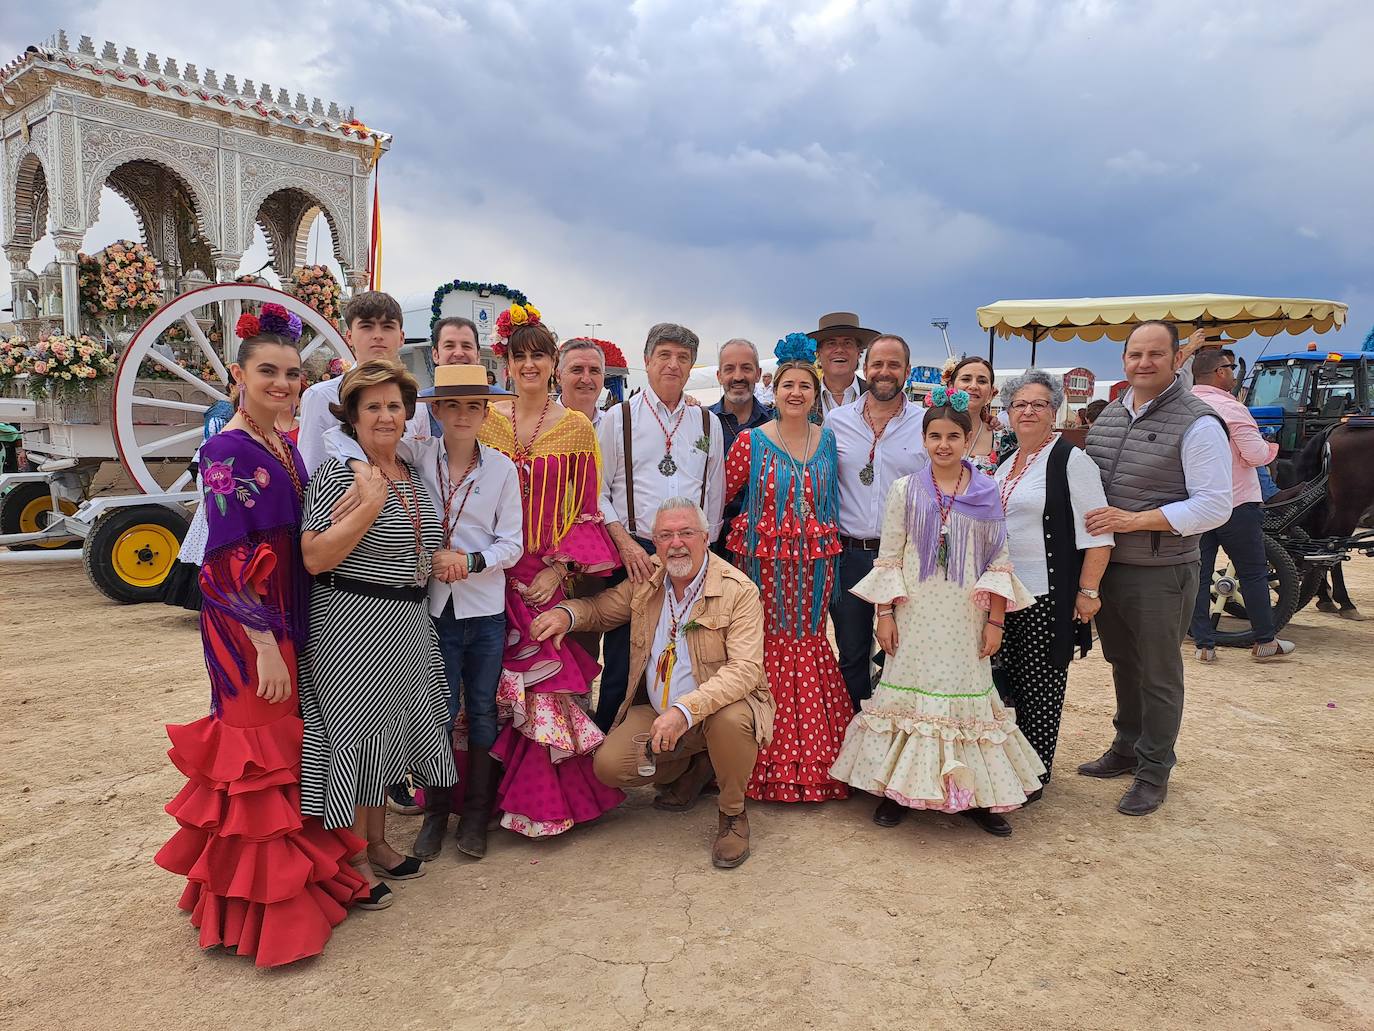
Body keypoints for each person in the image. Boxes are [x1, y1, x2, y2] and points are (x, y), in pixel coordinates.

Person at [154, 320, 368, 966]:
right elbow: (224, 558)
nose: (281, 382)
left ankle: (286, 890)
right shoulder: (227, 451)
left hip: (284, 614)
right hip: (248, 625)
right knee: (253, 762)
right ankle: (261, 914)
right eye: (267, 371)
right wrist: (266, 644)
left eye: (291, 372)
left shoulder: (280, 442)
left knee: (279, 756)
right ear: (237, 378)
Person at [323, 363, 524, 859]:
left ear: (485, 412)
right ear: (434, 412)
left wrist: (471, 561)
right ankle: (436, 813)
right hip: (430, 609)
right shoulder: (416, 457)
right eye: (451, 405)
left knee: (480, 710)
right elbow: (344, 441)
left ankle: (475, 815)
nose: (462, 415)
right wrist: (355, 472)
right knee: (436, 714)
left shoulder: (501, 468)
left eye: (472, 406)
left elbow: (513, 544)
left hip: (483, 608)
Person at [830, 389, 1043, 836]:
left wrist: (996, 620)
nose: (943, 445)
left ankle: (977, 796)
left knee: (971, 694)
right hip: (916, 613)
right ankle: (894, 790)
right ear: (923, 441)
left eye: (952, 436)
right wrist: (884, 614)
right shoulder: (904, 490)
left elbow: (998, 563)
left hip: (966, 616)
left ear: (968, 439)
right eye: (934, 436)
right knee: (905, 692)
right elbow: (888, 556)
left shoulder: (987, 493)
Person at [529, 498, 771, 868]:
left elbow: (744, 670)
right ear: (653, 542)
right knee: (609, 767)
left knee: (732, 722)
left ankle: (733, 814)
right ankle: (697, 764)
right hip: (660, 709)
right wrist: (566, 614)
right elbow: (603, 608)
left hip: (714, 709)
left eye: (686, 533)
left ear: (705, 538)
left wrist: (683, 711)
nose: (676, 543)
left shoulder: (738, 589)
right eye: (665, 535)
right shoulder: (649, 578)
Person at [297, 360, 459, 908]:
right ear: (352, 417)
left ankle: (379, 841)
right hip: (353, 622)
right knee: (355, 744)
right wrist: (367, 506)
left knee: (385, 741)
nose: (386, 416)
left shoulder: (408, 474)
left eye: (394, 406)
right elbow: (316, 556)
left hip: (405, 623)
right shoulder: (342, 474)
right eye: (373, 407)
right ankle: (355, 861)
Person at [479, 303, 625, 837]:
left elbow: (586, 507)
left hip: (543, 570)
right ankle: (480, 798)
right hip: (491, 569)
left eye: (539, 355)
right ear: (507, 363)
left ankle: (543, 801)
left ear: (551, 363)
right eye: (520, 356)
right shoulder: (487, 421)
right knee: (487, 682)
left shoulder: (577, 428)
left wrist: (559, 574)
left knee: (543, 685)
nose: (530, 366)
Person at [1080, 321, 1232, 816]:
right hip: (1110, 567)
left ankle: (1153, 769)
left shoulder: (1198, 421)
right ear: (1124, 361)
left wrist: (1136, 519)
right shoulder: (1110, 416)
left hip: (1161, 569)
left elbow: (1214, 506)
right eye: (1135, 355)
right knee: (1123, 663)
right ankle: (1127, 747)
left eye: (1155, 354)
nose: (1144, 363)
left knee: (1159, 673)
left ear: (1175, 359)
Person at [723, 333, 851, 801]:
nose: (795, 393)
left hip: (816, 568)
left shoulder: (828, 440)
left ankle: (815, 758)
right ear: (772, 392)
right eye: (786, 385)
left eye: (804, 386)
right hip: (765, 568)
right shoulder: (750, 442)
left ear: (816, 395)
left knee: (811, 642)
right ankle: (760, 759)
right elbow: (720, 499)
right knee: (768, 647)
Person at [595, 323, 725, 730]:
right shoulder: (619, 419)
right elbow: (596, 494)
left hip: (689, 552)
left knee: (686, 653)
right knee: (623, 658)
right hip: (633, 551)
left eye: (682, 358)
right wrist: (625, 544)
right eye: (664, 356)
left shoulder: (707, 424)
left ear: (690, 367)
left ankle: (682, 756)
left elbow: (714, 495)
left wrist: (704, 554)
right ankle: (611, 754)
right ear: (647, 362)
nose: (673, 365)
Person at [993, 369, 1114, 794]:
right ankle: (1010, 768)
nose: (1028, 411)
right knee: (1007, 686)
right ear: (1007, 412)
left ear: (1054, 410)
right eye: (1019, 404)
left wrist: (1087, 592)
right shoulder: (1009, 461)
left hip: (1045, 596)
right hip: (1003, 595)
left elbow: (1099, 535)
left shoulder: (1070, 461)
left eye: (1038, 404)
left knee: (1040, 690)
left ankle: (1035, 776)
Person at [824, 333, 928, 710]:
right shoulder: (837, 422)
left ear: (907, 371)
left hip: (905, 557)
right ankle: (855, 737)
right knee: (851, 653)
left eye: (893, 365)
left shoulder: (924, 423)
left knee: (901, 650)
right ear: (865, 370)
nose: (885, 372)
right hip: (849, 554)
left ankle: (896, 736)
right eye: (878, 365)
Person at [1189, 348, 1295, 662]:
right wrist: (1271, 447)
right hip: (1235, 501)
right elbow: (1254, 454)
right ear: (1220, 371)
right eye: (1232, 368)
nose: (1234, 375)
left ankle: (1204, 644)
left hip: (1195, 504)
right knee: (1252, 573)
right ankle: (1264, 640)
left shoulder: (1184, 406)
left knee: (1198, 573)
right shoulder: (1231, 407)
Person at [298, 291, 430, 475]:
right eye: (367, 326)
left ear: (401, 338)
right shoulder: (321, 396)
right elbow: (311, 470)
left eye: (387, 327)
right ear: (349, 337)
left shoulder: (416, 400)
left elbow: (422, 468)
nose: (377, 335)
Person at [709, 337, 773, 554]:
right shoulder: (701, 421)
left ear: (757, 373)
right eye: (729, 369)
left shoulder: (775, 425)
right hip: (712, 541)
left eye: (746, 368)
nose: (738, 376)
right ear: (719, 376)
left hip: (762, 543)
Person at [806, 312, 876, 415]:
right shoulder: (804, 397)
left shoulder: (876, 395)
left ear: (859, 352)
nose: (839, 349)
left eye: (847, 343)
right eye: (831, 343)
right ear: (818, 353)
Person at [946, 356, 1006, 474]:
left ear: (990, 392)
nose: (973, 386)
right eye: (966, 379)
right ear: (951, 386)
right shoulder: (927, 427)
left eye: (982, 381)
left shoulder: (1002, 437)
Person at [427, 316, 482, 436]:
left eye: (466, 346)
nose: (458, 353)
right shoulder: (420, 405)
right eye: (449, 346)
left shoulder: (500, 401)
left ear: (478, 355)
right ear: (435, 354)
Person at [556, 337, 608, 429]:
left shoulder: (614, 426)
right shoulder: (538, 425)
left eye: (594, 371)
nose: (586, 379)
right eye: (577, 370)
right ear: (558, 376)